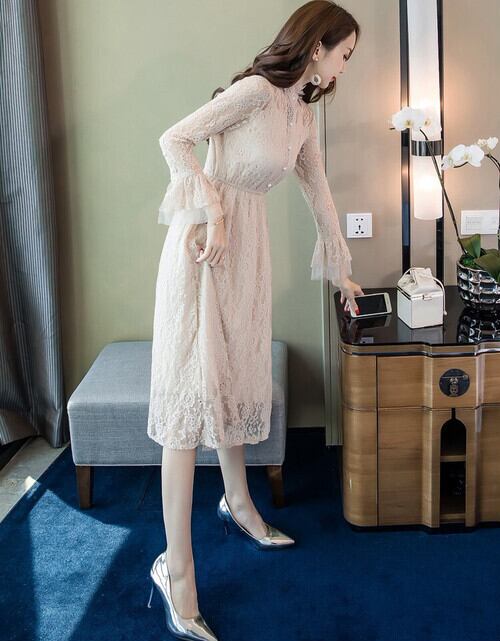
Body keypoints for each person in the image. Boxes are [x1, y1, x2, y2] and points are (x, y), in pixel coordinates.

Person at [146, 2, 364, 639]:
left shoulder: (300, 112)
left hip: (249, 254)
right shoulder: (254, 92)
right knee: (191, 397)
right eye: (345, 53)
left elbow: (318, 190)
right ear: (317, 46)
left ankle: (238, 502)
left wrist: (342, 271)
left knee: (236, 373)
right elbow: (174, 139)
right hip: (206, 249)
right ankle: (175, 570)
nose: (344, 67)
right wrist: (212, 210)